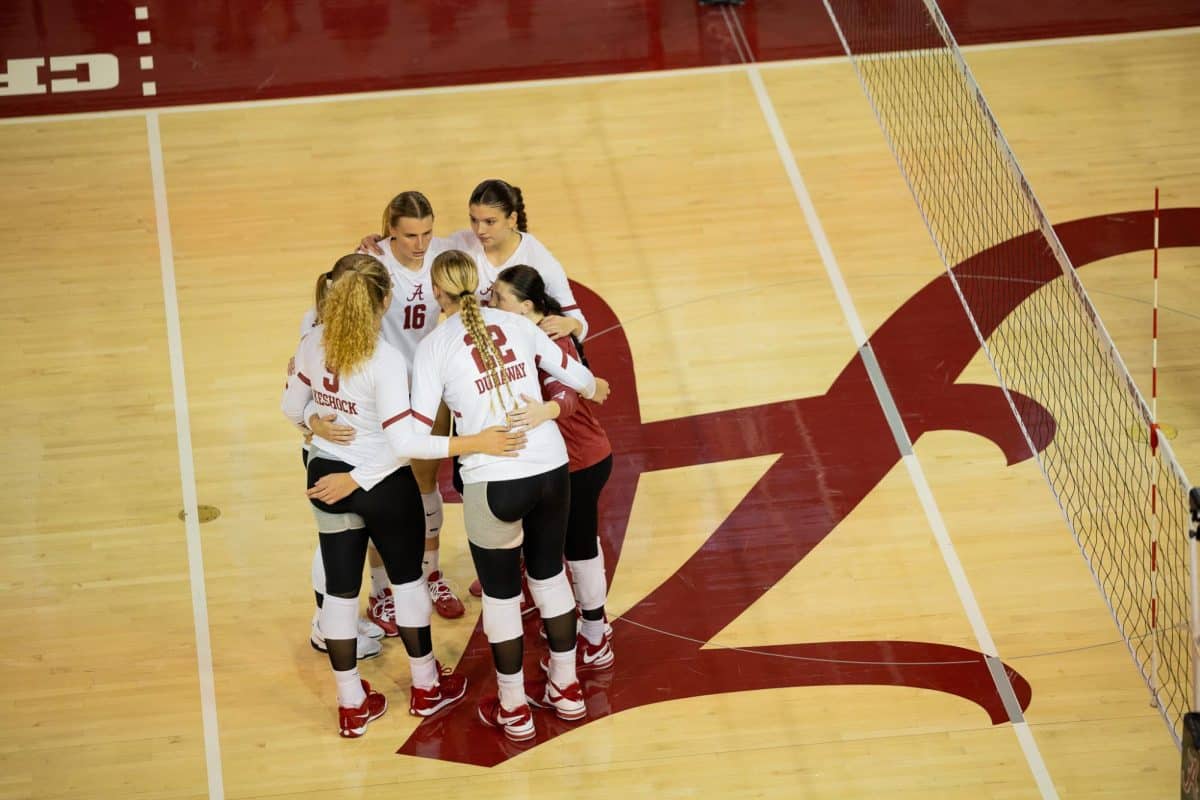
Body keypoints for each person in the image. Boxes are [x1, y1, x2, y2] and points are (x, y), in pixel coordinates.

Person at [282, 253, 526, 738]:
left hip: (325, 476)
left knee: (340, 590)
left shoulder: (312, 342)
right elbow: (403, 445)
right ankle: (426, 686)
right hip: (380, 481)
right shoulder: (385, 359)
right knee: (408, 581)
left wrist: (314, 421)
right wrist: (359, 477)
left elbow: (292, 408)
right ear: (384, 300)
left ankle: (351, 703)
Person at [408, 249, 610, 743]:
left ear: (437, 292)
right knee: (548, 579)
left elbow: (412, 441)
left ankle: (514, 706)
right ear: (478, 285)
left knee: (502, 597)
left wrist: (472, 442)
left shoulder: (433, 347)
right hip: (551, 469)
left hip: (492, 477)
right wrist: (550, 407)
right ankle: (566, 688)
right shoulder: (516, 324)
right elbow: (583, 380)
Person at [320, 191, 467, 623]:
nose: (419, 244)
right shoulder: (370, 261)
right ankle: (382, 590)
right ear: (391, 230)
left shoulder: (443, 254)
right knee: (379, 489)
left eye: (426, 232)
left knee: (425, 485)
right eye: (409, 235)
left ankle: (431, 573)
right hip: (380, 388)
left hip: (428, 385)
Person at [491, 265, 615, 670]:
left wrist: (546, 409)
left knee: (580, 548)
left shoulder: (549, 337)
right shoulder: (529, 331)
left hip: (581, 459)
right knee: (566, 547)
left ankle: (596, 634)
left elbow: (575, 395)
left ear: (526, 305)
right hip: (568, 458)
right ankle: (584, 621)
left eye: (499, 298)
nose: (491, 304)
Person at [359, 178, 586, 342]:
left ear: (512, 219)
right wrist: (383, 242)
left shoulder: (538, 258)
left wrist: (572, 325)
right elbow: (415, 243)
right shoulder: (459, 245)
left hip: (516, 355)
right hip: (472, 356)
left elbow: (581, 325)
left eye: (489, 221)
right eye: (473, 220)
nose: (479, 230)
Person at [301, 260, 385, 662]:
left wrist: (313, 420)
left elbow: (294, 405)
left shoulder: (321, 326)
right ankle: (325, 625)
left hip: (335, 447)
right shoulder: (317, 334)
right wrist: (315, 422)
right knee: (333, 548)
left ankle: (343, 621)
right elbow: (293, 403)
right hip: (337, 451)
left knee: (347, 544)